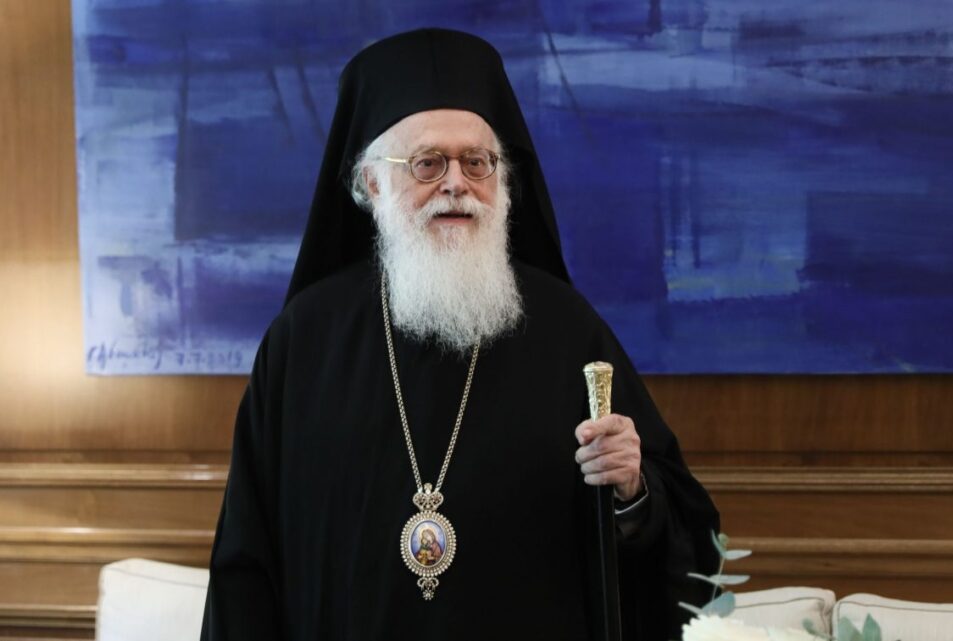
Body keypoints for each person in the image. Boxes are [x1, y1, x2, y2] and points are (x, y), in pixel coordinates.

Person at [200, 28, 719, 641]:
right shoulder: (303, 342)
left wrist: (631, 489)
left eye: (477, 162)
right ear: (372, 184)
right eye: (427, 163)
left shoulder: (566, 328)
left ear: (502, 181)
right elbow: (247, 565)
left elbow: (684, 537)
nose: (456, 183)